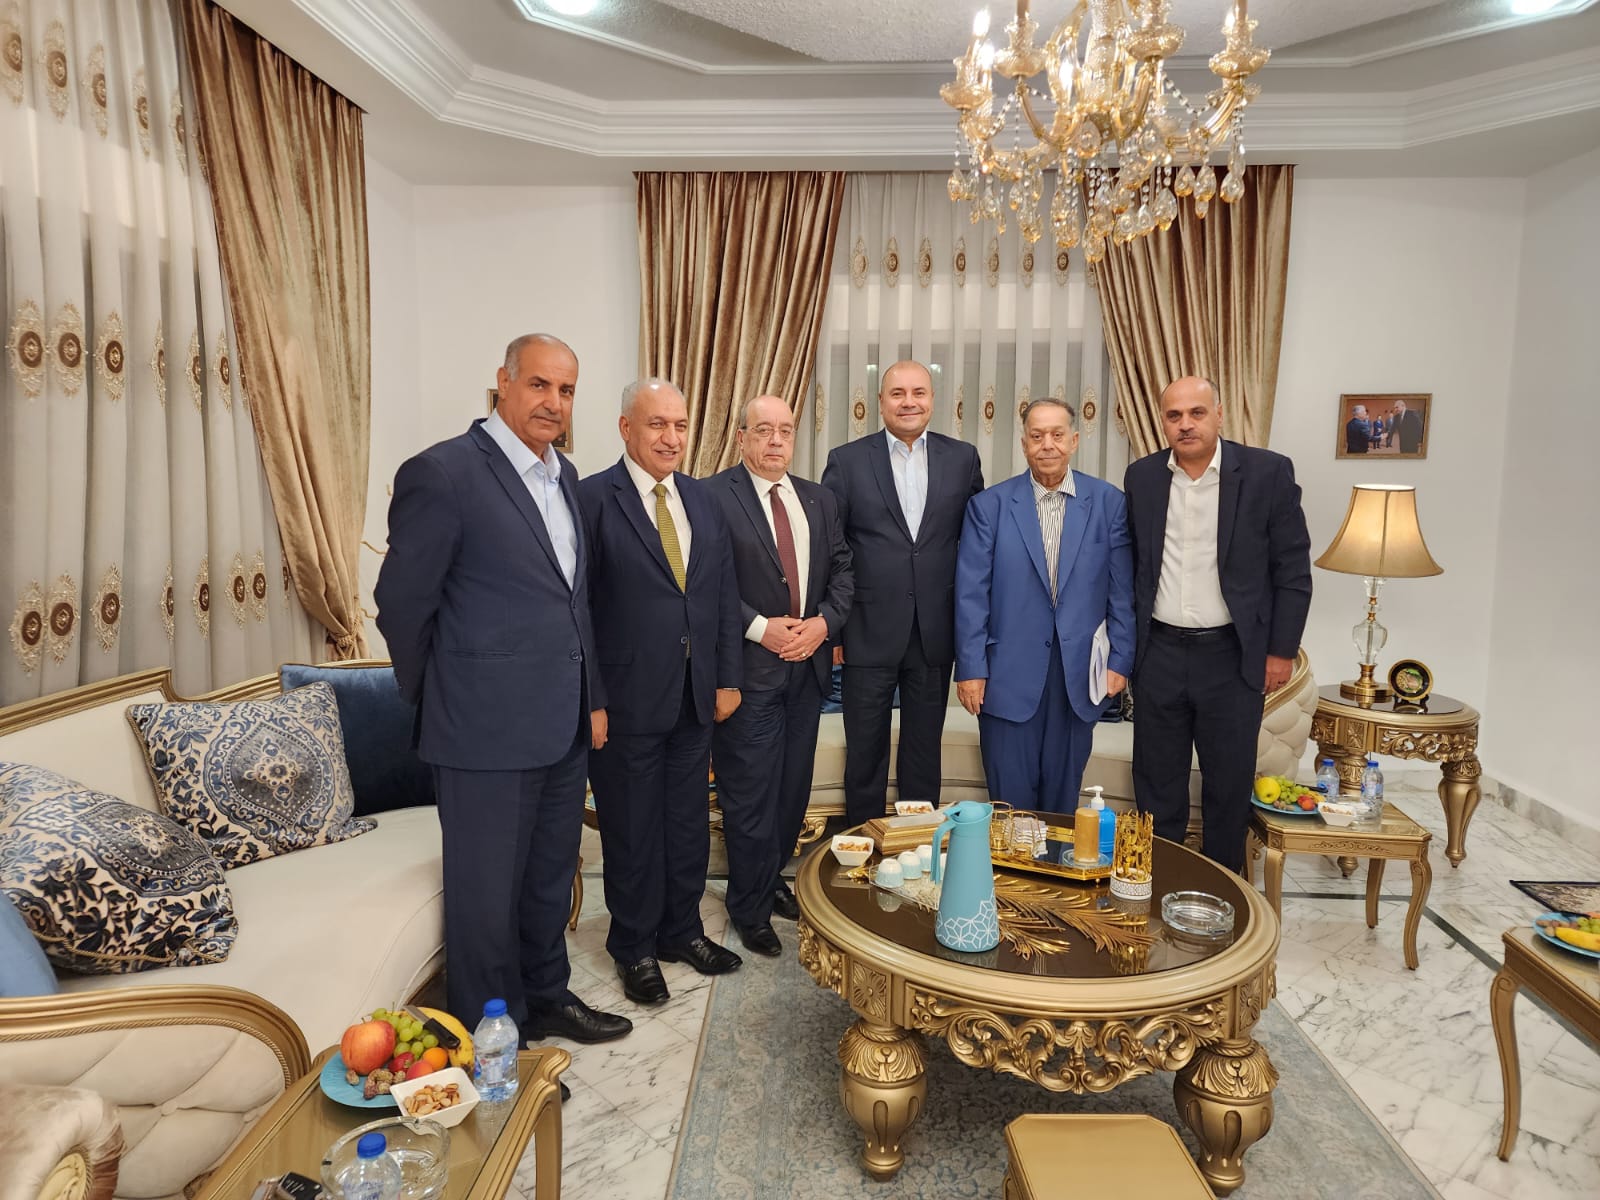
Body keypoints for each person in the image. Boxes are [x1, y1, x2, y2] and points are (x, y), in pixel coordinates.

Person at [375, 333, 632, 1048]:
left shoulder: (564, 475)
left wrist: (592, 697)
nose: (554, 402)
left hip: (562, 724)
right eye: (540, 384)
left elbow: (575, 604)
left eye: (567, 390)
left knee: (548, 880)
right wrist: (443, 694)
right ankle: (493, 1043)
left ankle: (546, 998)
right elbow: (401, 604)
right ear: (504, 382)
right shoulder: (444, 473)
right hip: (481, 733)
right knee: (485, 901)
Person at [579, 379, 745, 1008]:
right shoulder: (592, 499)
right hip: (624, 701)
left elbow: (722, 594)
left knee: (686, 824)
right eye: (657, 425)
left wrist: (727, 676)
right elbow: (578, 610)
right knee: (631, 830)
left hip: (694, 695)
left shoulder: (703, 499)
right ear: (627, 428)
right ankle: (634, 946)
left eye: (679, 425)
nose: (671, 438)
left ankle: (682, 931)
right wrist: (591, 698)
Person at [1123, 376, 1313, 873]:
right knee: (1156, 782)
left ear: (1219, 414)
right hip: (1159, 652)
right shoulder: (1142, 477)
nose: (1185, 424)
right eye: (1174, 416)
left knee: (1227, 784)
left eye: (1197, 413)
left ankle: (1225, 889)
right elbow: (1135, 568)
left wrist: (1281, 651)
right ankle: (1156, 882)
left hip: (1232, 656)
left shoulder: (1266, 473)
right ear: (1162, 422)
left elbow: (1292, 570)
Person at [708, 396, 853, 957]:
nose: (775, 440)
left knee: (792, 793)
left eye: (785, 431)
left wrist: (824, 624)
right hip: (747, 673)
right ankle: (748, 908)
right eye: (763, 430)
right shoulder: (713, 496)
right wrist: (760, 628)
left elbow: (843, 571)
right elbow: (706, 582)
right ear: (741, 436)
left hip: (807, 670)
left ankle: (769, 883)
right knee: (750, 796)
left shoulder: (819, 498)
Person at [821, 361, 984, 827]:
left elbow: (977, 545)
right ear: (880, 402)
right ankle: (863, 846)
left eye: (918, 392)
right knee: (865, 753)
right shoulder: (847, 461)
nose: (908, 402)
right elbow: (832, 549)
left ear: (932, 399)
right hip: (866, 630)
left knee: (923, 752)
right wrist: (834, 629)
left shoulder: (963, 458)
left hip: (935, 632)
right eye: (897, 393)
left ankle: (916, 846)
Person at [953, 396, 1134, 814]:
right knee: (1009, 806)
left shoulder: (1108, 503)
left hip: (1078, 677)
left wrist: (1120, 660)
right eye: (1037, 436)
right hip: (1005, 677)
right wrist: (971, 668)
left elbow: (1122, 591)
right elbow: (970, 595)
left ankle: (1058, 860)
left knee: (1061, 807)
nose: (1047, 444)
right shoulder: (989, 507)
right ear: (1024, 444)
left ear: (1074, 440)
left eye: (1056, 435)